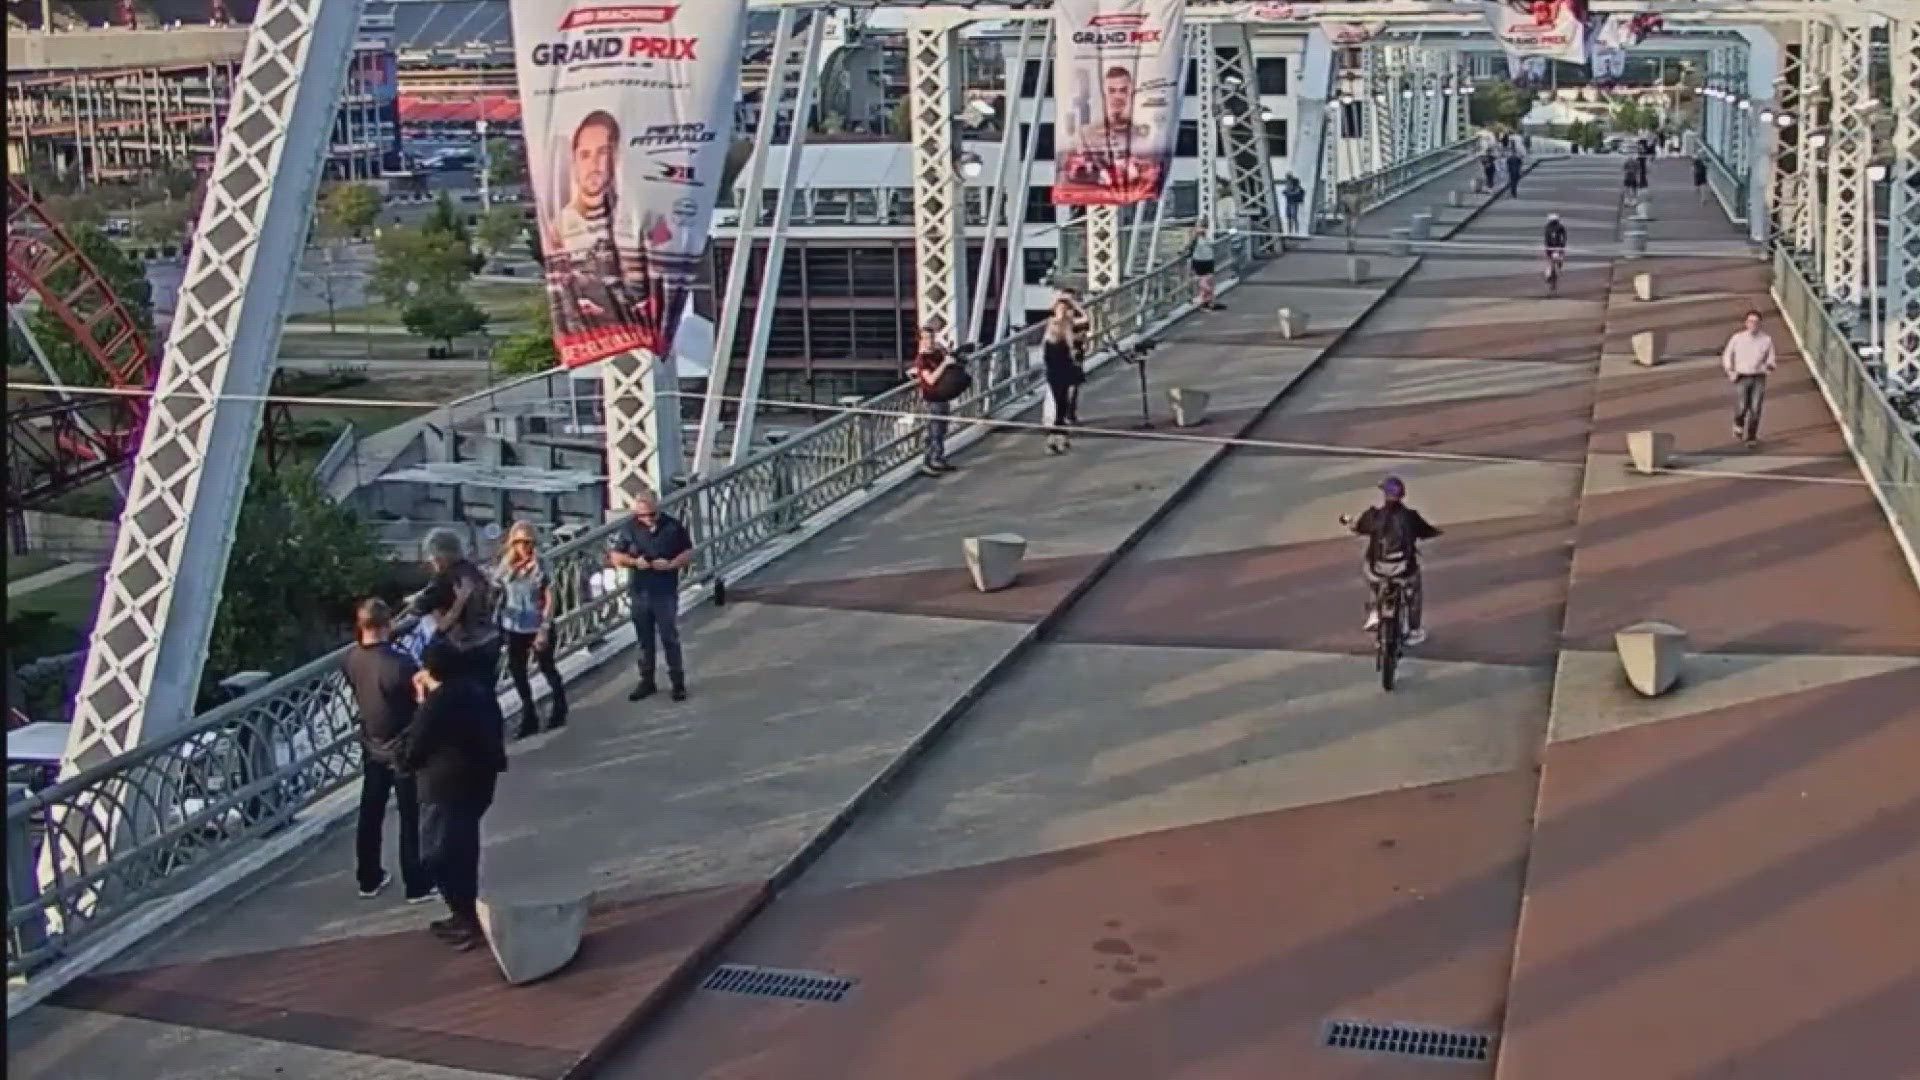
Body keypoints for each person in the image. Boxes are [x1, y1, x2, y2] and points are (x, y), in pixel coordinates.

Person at [404, 639, 508, 952]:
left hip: (443, 788)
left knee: (437, 855)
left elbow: (414, 749)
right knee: (463, 850)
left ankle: (466, 919)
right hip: (478, 783)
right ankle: (465, 915)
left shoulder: (438, 704)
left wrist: (422, 700)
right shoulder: (478, 691)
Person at [341, 599, 432, 904]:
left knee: (371, 812)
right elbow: (420, 700)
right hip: (403, 747)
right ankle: (417, 883)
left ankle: (369, 877)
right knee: (411, 815)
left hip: (371, 744)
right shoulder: (400, 663)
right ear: (388, 625)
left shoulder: (351, 659)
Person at [545, 110, 650, 340]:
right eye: (585, 155)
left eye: (603, 153)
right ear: (574, 162)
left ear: (617, 158)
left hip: (637, 331)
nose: (594, 163)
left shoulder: (641, 216)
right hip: (591, 338)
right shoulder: (560, 226)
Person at [607, 493, 695, 701]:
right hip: (640, 591)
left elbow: (689, 552)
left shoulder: (672, 527)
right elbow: (616, 556)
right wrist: (635, 562)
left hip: (664, 590)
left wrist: (672, 564)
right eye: (642, 516)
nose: (647, 519)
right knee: (644, 639)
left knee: (669, 637)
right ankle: (646, 681)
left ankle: (677, 682)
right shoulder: (630, 528)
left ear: (658, 510)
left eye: (651, 515)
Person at [1348, 476, 1442, 648]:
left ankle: (1375, 611)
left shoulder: (1373, 516)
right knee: (1414, 593)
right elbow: (1427, 531)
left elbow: (1359, 527)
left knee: (1371, 575)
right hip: (1404, 570)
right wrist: (1436, 532)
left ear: (1384, 494)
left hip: (1378, 569)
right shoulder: (1410, 517)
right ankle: (1414, 630)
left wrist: (1350, 523)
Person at [494, 521, 566, 739]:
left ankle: (559, 707)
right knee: (518, 673)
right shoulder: (506, 566)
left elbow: (550, 597)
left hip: (537, 624)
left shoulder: (542, 564)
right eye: (519, 542)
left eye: (528, 542)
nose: (524, 546)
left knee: (547, 667)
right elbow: (497, 590)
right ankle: (529, 715)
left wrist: (544, 627)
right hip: (514, 625)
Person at [408, 528, 500, 686]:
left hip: (464, 647)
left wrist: (414, 601)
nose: (431, 560)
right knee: (487, 696)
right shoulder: (473, 571)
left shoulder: (445, 579)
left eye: (432, 556)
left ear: (441, 555)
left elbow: (419, 608)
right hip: (490, 641)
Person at [1721, 309, 1778, 448]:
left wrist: (1768, 367)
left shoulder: (1766, 340)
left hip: (1758, 376)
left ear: (1760, 324)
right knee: (1742, 406)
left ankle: (1751, 436)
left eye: (1756, 322)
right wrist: (1730, 371)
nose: (1753, 324)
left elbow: (1772, 359)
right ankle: (1738, 424)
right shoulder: (1737, 338)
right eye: (1751, 321)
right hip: (1742, 375)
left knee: (1755, 408)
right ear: (1746, 323)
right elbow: (1727, 355)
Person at [1042, 290, 1086, 455]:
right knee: (1059, 403)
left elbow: (1086, 319)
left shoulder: (1067, 326)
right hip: (1055, 370)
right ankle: (1056, 438)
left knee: (1063, 403)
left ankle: (1059, 437)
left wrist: (1073, 304)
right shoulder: (1053, 326)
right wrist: (1061, 302)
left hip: (1064, 368)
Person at [912, 328, 959, 475]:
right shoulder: (922, 360)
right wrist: (944, 364)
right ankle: (930, 460)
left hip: (942, 396)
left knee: (941, 429)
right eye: (926, 338)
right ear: (921, 341)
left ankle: (938, 457)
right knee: (934, 431)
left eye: (931, 338)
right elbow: (931, 379)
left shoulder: (937, 354)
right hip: (932, 398)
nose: (930, 341)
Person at [1190, 233, 1219, 310]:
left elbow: (1190, 248)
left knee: (1201, 282)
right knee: (1208, 281)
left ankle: (1206, 299)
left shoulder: (1196, 241)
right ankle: (1208, 300)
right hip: (1208, 261)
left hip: (1199, 262)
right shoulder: (1209, 240)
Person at [1543, 212, 1568, 284]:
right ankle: (1553, 271)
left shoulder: (1548, 227)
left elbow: (1546, 239)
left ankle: (1549, 275)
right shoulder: (1560, 226)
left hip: (1551, 247)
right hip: (1556, 247)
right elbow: (1564, 237)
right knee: (1552, 261)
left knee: (1549, 262)